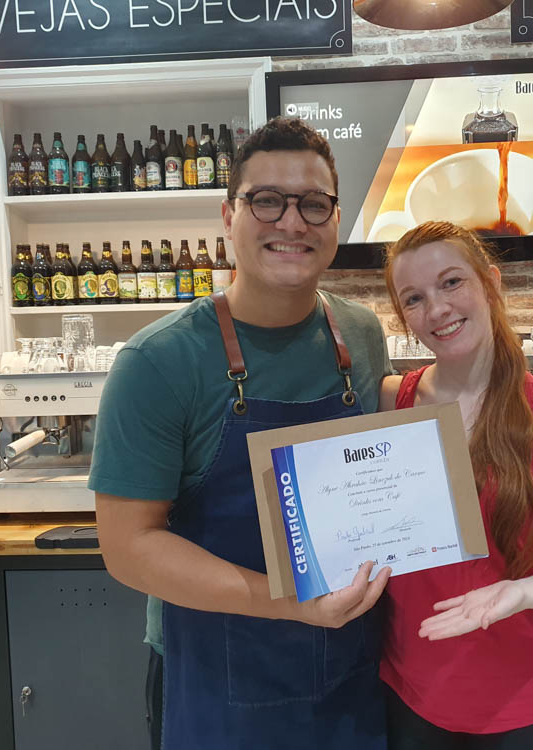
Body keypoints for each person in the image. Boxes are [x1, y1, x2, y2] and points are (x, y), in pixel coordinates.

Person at [89, 117, 393, 749]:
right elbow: (128, 547)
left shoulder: (362, 335)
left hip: (350, 664)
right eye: (267, 201)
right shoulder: (158, 361)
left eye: (314, 204)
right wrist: (293, 604)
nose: (292, 222)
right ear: (228, 216)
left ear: (337, 220)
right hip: (216, 673)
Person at [378, 221, 533, 749]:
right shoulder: (388, 402)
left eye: (451, 282)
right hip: (412, 693)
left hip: (531, 697)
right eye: (414, 298)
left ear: (490, 283)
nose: (437, 309)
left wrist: (519, 593)